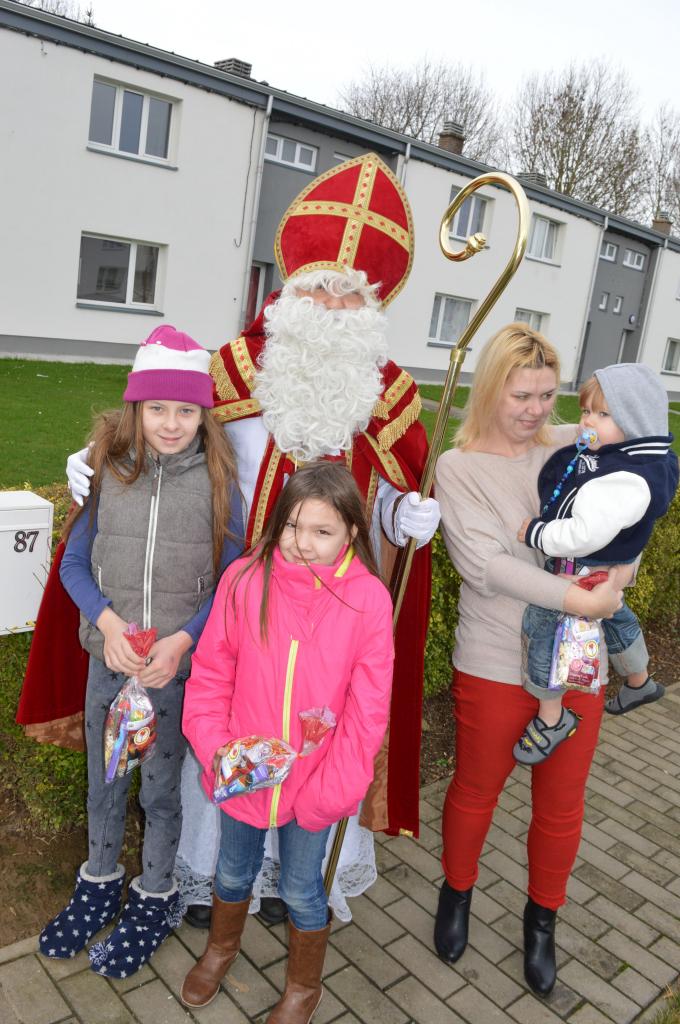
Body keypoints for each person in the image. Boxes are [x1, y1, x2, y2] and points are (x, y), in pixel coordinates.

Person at [60, 153, 438, 927]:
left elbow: (390, 490)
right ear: (291, 290)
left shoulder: (386, 389)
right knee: (235, 720)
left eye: (350, 291)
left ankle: (292, 882)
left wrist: (406, 518)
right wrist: (100, 464)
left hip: (333, 607)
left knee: (314, 728)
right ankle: (214, 877)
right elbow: (166, 435)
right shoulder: (233, 368)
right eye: (319, 286)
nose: (332, 303)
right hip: (244, 598)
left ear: (371, 303)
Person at [38, 326, 242, 977]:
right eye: (158, 408)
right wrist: (109, 625)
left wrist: (184, 641)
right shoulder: (108, 474)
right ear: (136, 408)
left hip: (170, 675)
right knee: (106, 783)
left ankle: (153, 897)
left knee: (158, 793)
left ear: (202, 414)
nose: (172, 423)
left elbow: (233, 579)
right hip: (112, 665)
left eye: (186, 410)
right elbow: (72, 565)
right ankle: (97, 883)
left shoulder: (217, 485)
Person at [433, 324, 626, 997]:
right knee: (477, 791)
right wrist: (578, 595)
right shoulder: (459, 469)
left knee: (562, 804)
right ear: (491, 389)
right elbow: (484, 567)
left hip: (577, 655)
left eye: (548, 395)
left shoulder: (577, 447)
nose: (538, 410)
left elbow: (633, 515)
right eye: (523, 395)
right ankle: (456, 894)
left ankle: (541, 922)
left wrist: (616, 581)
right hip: (493, 656)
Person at [179, 462, 394, 1019]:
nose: (302, 544)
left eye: (322, 532)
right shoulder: (246, 578)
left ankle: (304, 985)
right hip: (243, 770)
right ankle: (222, 948)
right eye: (294, 526)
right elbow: (212, 672)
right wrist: (218, 751)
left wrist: (332, 790)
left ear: (351, 531)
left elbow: (368, 712)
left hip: (316, 783)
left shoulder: (368, 601)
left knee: (302, 888)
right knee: (232, 870)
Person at [514, 363, 678, 763]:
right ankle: (639, 679)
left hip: (584, 564)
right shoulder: (631, 459)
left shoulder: (619, 479)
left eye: (603, 414)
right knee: (617, 615)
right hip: (612, 562)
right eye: (587, 410)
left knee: (543, 626)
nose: (587, 421)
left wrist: (538, 534)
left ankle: (552, 718)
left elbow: (584, 533)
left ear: (634, 421)